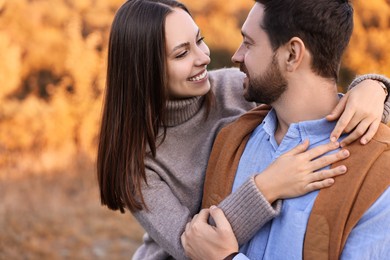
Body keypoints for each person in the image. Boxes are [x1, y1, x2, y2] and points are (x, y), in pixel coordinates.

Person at [96, 0, 390, 259]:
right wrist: (268, 185)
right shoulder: (136, 162)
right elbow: (194, 245)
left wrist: (376, 88)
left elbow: (308, 85)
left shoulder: (235, 89)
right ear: (146, 69)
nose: (205, 57)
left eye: (200, 41)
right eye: (182, 53)